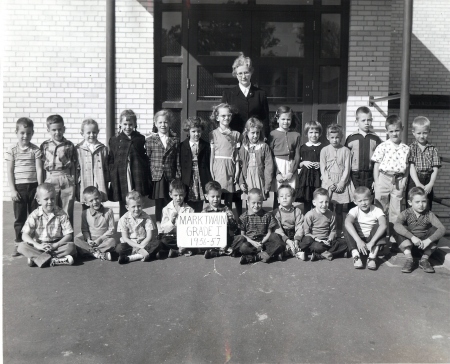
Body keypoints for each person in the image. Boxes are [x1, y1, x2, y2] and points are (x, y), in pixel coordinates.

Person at [5, 117, 43, 257]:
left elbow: (39, 170)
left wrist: (39, 189)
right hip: (19, 189)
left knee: (34, 216)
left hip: (33, 187)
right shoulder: (12, 150)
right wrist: (12, 189)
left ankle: (34, 242)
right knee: (20, 217)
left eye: (28, 133)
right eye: (22, 133)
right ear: (16, 132)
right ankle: (19, 243)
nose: (25, 136)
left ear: (32, 133)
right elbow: (9, 171)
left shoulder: (35, 150)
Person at [17, 183, 77, 267]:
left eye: (52, 198)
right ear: (38, 200)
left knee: (71, 247)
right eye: (46, 199)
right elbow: (24, 235)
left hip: (56, 246)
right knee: (21, 246)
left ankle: (38, 259)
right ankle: (55, 260)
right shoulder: (34, 215)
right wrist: (37, 245)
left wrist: (56, 245)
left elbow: (69, 235)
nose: (50, 202)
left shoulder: (61, 214)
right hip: (40, 246)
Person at [371, 115, 410, 236]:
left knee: (396, 210)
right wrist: (377, 181)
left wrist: (404, 180)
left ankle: (394, 237)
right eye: (391, 131)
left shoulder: (406, 148)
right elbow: (376, 165)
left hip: (398, 180)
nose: (394, 134)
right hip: (383, 178)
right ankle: (380, 237)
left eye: (397, 130)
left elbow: (407, 167)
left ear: (402, 129)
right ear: (386, 131)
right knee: (380, 208)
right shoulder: (382, 146)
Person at [108, 109, 151, 217]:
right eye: (125, 124)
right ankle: (125, 225)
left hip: (136, 174)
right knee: (124, 201)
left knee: (137, 200)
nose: (128, 127)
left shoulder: (140, 139)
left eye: (130, 124)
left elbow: (144, 157)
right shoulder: (114, 140)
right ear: (120, 124)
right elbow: (111, 158)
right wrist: (113, 173)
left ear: (135, 124)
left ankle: (139, 223)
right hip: (121, 175)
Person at [394, 187, 446, 274]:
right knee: (399, 228)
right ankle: (409, 259)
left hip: (424, 245)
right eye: (417, 202)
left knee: (436, 230)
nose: (421, 205)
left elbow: (442, 229)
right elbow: (397, 225)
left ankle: (424, 259)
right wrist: (412, 237)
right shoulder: (406, 213)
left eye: (424, 201)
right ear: (410, 202)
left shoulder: (429, 214)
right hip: (409, 244)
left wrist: (428, 241)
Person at [231, 188, 285, 264]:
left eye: (259, 203)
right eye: (253, 203)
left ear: (262, 202)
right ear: (248, 202)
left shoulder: (267, 215)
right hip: (250, 243)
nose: (256, 206)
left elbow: (269, 233)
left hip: (264, 242)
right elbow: (242, 235)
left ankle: (255, 257)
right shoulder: (243, 217)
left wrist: (262, 242)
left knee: (277, 239)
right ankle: (270, 255)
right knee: (243, 246)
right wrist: (252, 242)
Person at [40, 114, 77, 226]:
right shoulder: (44, 146)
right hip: (51, 178)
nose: (57, 132)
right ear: (48, 130)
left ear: (64, 129)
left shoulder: (69, 145)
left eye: (60, 129)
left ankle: (68, 239)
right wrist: (41, 184)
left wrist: (73, 182)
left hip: (66, 178)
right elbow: (41, 166)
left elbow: (74, 166)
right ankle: (53, 237)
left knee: (67, 211)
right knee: (50, 209)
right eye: (54, 130)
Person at [221, 53, 269, 137]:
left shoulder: (260, 94)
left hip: (255, 139)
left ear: (251, 72)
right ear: (236, 75)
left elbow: (265, 119)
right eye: (240, 73)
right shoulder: (228, 94)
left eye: (246, 72)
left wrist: (264, 137)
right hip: (234, 138)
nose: (243, 76)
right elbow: (221, 117)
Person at [146, 109, 181, 225]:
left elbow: (177, 159)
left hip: (170, 176)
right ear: (155, 124)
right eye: (160, 122)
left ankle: (170, 224)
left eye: (165, 122)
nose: (163, 125)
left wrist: (178, 175)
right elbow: (148, 158)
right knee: (159, 202)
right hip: (157, 176)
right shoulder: (150, 140)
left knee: (170, 201)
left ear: (169, 123)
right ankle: (159, 226)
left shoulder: (175, 140)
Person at [345, 106, 381, 209]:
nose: (366, 123)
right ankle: (353, 223)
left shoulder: (375, 138)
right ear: (357, 121)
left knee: (368, 200)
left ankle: (368, 223)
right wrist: (348, 178)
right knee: (354, 199)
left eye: (369, 120)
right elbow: (346, 158)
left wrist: (376, 179)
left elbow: (379, 161)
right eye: (363, 120)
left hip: (370, 174)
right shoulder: (351, 138)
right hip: (355, 175)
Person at [209, 103, 242, 218]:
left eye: (228, 115)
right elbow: (212, 156)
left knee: (229, 196)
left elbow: (237, 156)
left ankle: (228, 220)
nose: (226, 118)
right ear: (217, 117)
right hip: (218, 167)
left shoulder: (237, 134)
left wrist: (237, 171)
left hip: (231, 167)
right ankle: (216, 218)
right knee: (217, 194)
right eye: (223, 116)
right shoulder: (213, 134)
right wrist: (212, 171)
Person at [320, 124, 354, 233]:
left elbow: (347, 168)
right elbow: (323, 169)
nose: (335, 140)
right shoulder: (324, 150)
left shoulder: (346, 151)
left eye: (337, 137)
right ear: (327, 137)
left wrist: (341, 183)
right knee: (327, 208)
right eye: (332, 137)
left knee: (339, 210)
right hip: (328, 182)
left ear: (341, 137)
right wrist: (329, 183)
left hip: (341, 182)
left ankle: (339, 230)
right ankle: (327, 230)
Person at [344, 186, 387, 270]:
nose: (363, 203)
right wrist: (358, 241)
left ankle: (372, 257)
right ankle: (356, 256)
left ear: (371, 199)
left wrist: (372, 242)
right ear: (355, 202)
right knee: (346, 224)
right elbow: (347, 223)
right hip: (358, 241)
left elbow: (383, 225)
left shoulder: (377, 210)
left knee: (380, 225)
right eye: (360, 201)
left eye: (366, 200)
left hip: (372, 240)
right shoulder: (354, 210)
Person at [300, 188, 348, 261]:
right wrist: (317, 239)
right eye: (321, 202)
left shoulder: (331, 215)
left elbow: (333, 231)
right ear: (314, 203)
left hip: (326, 241)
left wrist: (330, 239)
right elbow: (306, 233)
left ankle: (320, 255)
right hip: (315, 241)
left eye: (326, 202)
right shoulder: (309, 215)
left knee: (345, 242)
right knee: (313, 245)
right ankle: (334, 253)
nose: (324, 205)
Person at [269, 106, 301, 209]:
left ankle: (290, 217)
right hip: (278, 165)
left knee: (289, 195)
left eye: (288, 119)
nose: (286, 122)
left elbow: (297, 155)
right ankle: (276, 218)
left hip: (291, 166)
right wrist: (277, 173)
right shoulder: (273, 134)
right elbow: (270, 155)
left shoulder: (296, 135)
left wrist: (291, 171)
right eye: (283, 119)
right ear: (277, 119)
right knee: (279, 194)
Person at [407, 116, 441, 210]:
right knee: (413, 205)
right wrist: (417, 182)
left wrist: (431, 183)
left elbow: (435, 168)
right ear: (413, 132)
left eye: (425, 133)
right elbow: (411, 166)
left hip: (428, 180)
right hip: (414, 179)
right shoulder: (411, 148)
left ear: (429, 132)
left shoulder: (433, 149)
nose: (422, 136)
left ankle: (425, 224)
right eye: (419, 133)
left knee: (426, 205)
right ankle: (412, 224)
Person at [74, 186, 117, 261]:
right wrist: (88, 240)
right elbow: (85, 230)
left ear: (100, 197)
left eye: (96, 198)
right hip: (91, 240)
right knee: (76, 239)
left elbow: (111, 230)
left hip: (103, 240)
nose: (95, 202)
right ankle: (97, 253)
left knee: (112, 241)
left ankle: (90, 252)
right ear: (86, 203)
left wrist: (99, 240)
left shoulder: (109, 211)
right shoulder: (85, 213)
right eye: (91, 201)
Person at [116, 191, 158, 264]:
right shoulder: (123, 219)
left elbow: (149, 236)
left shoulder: (147, 217)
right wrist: (138, 246)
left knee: (157, 243)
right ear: (127, 207)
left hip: (144, 242)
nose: (136, 209)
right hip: (130, 244)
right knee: (119, 248)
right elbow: (125, 238)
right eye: (133, 206)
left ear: (142, 205)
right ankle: (145, 254)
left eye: (139, 206)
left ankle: (131, 257)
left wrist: (141, 245)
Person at [180, 116, 212, 212]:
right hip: (188, 176)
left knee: (199, 199)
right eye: (193, 131)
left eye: (198, 131)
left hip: (201, 175)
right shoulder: (182, 146)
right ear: (188, 132)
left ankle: (198, 217)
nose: (196, 134)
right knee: (188, 200)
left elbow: (208, 161)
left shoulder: (206, 146)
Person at [75, 119, 109, 207]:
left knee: (98, 205)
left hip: (99, 181)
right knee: (86, 205)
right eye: (88, 133)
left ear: (98, 132)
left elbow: (106, 166)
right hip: (85, 181)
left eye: (94, 132)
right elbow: (76, 168)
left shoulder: (102, 149)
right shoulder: (78, 149)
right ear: (82, 134)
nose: (91, 135)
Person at [156, 179, 194, 258]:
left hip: (184, 236)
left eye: (181, 195)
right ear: (170, 195)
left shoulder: (189, 209)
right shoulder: (166, 209)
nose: (178, 198)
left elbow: (192, 228)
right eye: (176, 195)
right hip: (171, 237)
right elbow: (163, 229)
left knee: (193, 242)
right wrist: (171, 221)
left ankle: (175, 251)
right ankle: (180, 250)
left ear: (185, 195)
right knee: (163, 241)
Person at [239, 117, 274, 203]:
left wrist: (267, 185)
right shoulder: (243, 147)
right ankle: (249, 215)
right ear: (247, 132)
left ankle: (259, 216)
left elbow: (269, 167)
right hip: (248, 178)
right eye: (252, 133)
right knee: (249, 199)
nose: (255, 135)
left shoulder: (264, 146)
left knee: (258, 199)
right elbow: (240, 166)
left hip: (259, 177)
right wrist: (241, 182)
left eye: (257, 133)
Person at [202, 181, 239, 259]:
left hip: (225, 239)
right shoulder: (204, 212)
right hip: (211, 240)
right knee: (198, 244)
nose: (215, 199)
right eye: (213, 196)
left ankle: (217, 252)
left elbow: (234, 228)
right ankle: (223, 251)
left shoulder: (225, 209)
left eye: (218, 196)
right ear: (206, 196)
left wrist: (230, 220)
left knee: (240, 239)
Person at [297, 120, 324, 214]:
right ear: (306, 133)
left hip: (319, 177)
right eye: (311, 132)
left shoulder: (323, 147)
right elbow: (297, 164)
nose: (313, 135)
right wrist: (304, 162)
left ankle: (318, 221)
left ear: (320, 133)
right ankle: (307, 221)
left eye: (316, 132)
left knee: (319, 199)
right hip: (306, 178)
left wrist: (321, 164)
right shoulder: (302, 148)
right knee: (307, 200)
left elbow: (328, 162)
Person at [272, 184, 305, 260]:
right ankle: (290, 250)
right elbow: (278, 228)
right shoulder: (276, 212)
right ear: (278, 199)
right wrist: (287, 241)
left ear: (293, 199)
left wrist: (296, 240)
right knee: (274, 237)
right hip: (282, 236)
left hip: (294, 235)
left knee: (307, 240)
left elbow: (300, 226)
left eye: (288, 196)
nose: (284, 198)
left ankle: (289, 251)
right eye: (281, 196)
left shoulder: (297, 211)